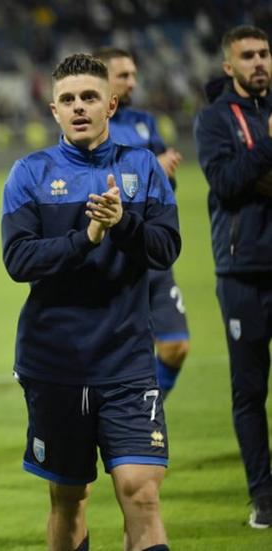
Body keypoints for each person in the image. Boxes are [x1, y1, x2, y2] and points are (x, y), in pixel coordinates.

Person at [1, 54, 180, 551]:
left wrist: (123, 224)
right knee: (70, 497)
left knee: (140, 493)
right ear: (54, 111)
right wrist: (88, 236)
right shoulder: (29, 173)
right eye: (68, 100)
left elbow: (167, 248)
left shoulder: (142, 168)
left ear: (112, 105)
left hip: (126, 360)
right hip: (55, 361)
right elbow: (18, 260)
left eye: (89, 97)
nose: (79, 107)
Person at [193, 24, 272, 529]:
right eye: (248, 56)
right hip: (243, 270)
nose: (259, 62)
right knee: (249, 389)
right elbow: (225, 182)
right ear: (229, 66)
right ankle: (264, 496)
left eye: (264, 53)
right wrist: (268, 146)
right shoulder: (215, 120)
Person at [95, 47, 190, 396]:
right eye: (123, 75)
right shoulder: (93, 125)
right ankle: (126, 418)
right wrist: (152, 166)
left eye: (133, 74)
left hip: (152, 249)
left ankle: (145, 409)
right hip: (115, 255)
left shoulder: (145, 122)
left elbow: (165, 183)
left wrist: (163, 173)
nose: (132, 81)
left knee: (175, 345)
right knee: (117, 355)